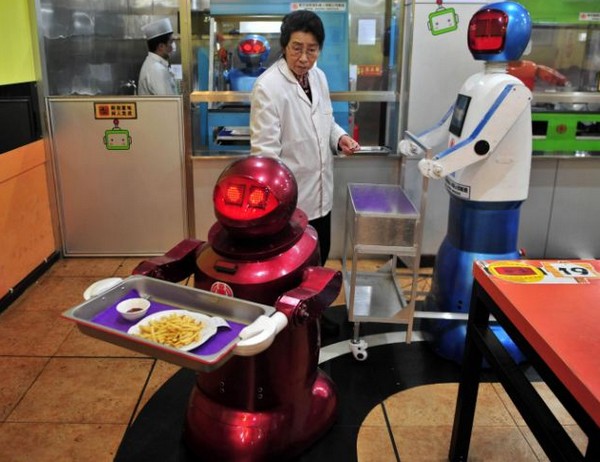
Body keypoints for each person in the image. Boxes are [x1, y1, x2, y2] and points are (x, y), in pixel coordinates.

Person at [250, 9, 360, 266]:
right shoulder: (268, 87)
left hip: (322, 196)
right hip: (291, 207)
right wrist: (278, 206)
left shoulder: (318, 77)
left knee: (320, 260)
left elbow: (325, 120)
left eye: (311, 50)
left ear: (319, 49)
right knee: (294, 269)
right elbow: (265, 156)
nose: (303, 58)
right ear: (284, 46)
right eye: (296, 48)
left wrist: (340, 138)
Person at [138, 18, 178, 95]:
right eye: (171, 42)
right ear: (161, 46)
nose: (173, 46)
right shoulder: (157, 70)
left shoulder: (152, 64)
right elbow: (168, 100)